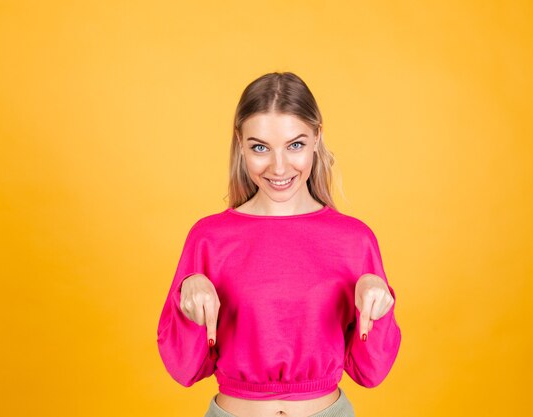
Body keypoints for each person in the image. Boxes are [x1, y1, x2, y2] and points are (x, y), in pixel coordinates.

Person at [157, 72, 402, 417]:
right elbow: (185, 370)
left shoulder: (355, 240)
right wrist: (187, 301)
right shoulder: (208, 238)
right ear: (240, 143)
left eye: (295, 145)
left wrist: (379, 308)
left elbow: (370, 372)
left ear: (317, 137)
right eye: (260, 147)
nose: (279, 166)